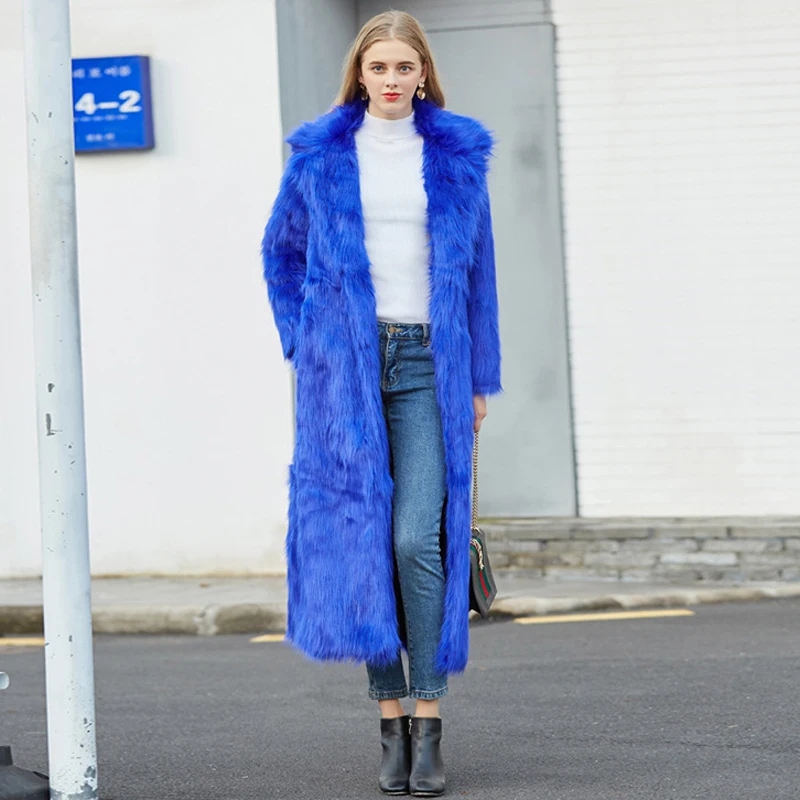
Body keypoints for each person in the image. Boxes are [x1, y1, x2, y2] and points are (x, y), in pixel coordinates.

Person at [261, 9, 502, 797]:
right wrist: (309, 343)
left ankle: (430, 720)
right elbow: (280, 254)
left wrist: (479, 379)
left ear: (423, 72)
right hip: (347, 370)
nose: (392, 79)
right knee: (362, 542)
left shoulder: (459, 155)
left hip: (430, 362)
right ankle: (389, 719)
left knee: (413, 541)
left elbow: (479, 278)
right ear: (358, 75)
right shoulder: (320, 155)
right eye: (378, 67)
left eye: (404, 66)